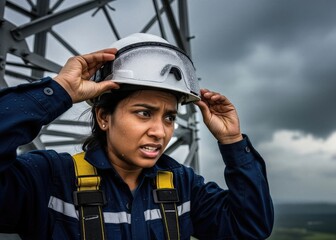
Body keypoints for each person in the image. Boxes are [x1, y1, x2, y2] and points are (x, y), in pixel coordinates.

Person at [0, 33, 274, 240]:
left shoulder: (183, 186)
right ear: (104, 117)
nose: (160, 131)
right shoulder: (48, 180)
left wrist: (233, 142)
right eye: (144, 113)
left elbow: (249, 228)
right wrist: (58, 91)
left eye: (169, 117)